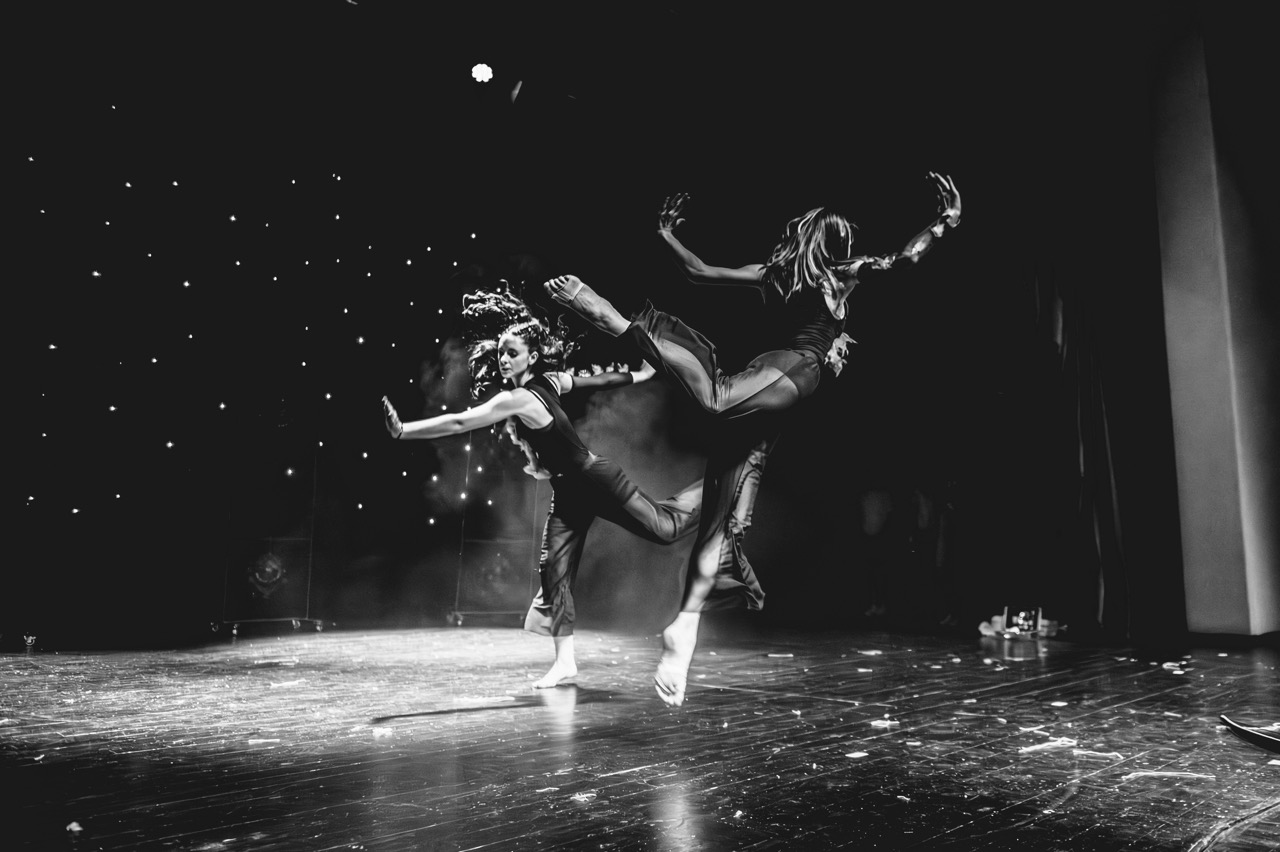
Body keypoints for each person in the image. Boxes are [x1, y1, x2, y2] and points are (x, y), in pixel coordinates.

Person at [543, 173, 961, 705]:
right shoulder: (835, 276)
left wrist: (666, 235)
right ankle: (623, 326)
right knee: (718, 466)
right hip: (785, 377)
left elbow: (697, 270)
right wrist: (944, 223)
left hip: (766, 385)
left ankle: (684, 630)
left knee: (725, 522)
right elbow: (903, 260)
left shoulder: (775, 274)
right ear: (834, 242)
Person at [382, 287, 702, 689]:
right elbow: (596, 380)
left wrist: (404, 430)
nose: (503, 359)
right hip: (569, 493)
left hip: (594, 479)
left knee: (665, 529)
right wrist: (639, 374)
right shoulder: (548, 383)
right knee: (554, 574)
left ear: (532, 357)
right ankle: (565, 663)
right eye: (501, 352)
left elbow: (463, 422)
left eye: (511, 353)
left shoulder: (519, 398)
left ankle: (714, 488)